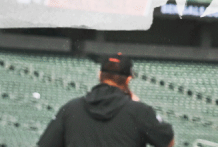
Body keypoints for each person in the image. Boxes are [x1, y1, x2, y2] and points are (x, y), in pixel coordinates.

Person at [37, 53, 174, 147]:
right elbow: (168, 141)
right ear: (128, 79)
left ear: (100, 75)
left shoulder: (71, 108)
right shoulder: (139, 111)